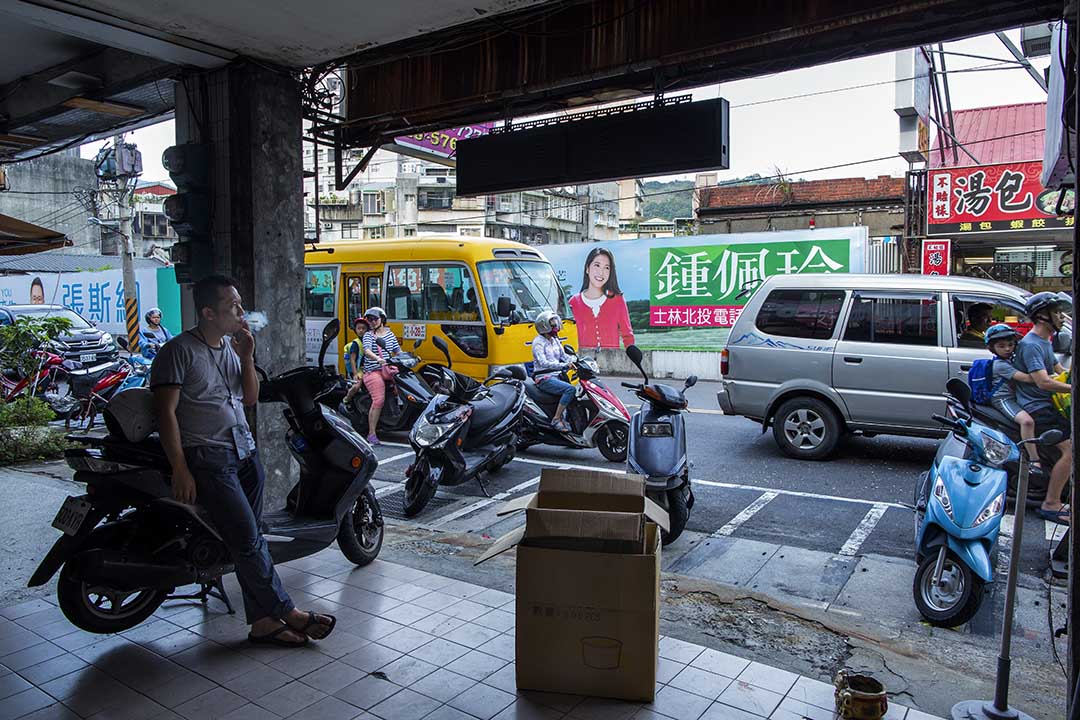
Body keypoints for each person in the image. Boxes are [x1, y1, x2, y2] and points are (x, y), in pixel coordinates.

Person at [150, 274, 335, 646]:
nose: (240, 311)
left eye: (240, 304)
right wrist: (181, 467)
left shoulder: (230, 350)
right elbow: (165, 414)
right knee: (248, 540)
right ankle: (286, 611)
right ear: (207, 312)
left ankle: (263, 623)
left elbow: (250, 398)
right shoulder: (178, 351)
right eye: (232, 306)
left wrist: (247, 356)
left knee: (251, 539)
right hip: (208, 456)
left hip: (244, 453)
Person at [1013, 292, 1073, 525]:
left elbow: (1058, 372)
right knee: (1070, 451)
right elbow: (1043, 382)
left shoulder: (1044, 343)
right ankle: (1051, 503)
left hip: (1050, 404)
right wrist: (1072, 388)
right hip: (1038, 407)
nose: (1061, 317)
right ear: (1042, 316)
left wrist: (1068, 380)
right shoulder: (1031, 345)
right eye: (1057, 312)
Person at [984, 324, 1039, 470]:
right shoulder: (1001, 365)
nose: (1007, 349)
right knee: (1027, 422)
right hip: (1003, 399)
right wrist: (1049, 377)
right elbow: (1028, 378)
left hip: (1015, 397)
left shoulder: (1011, 361)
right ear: (992, 348)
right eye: (1001, 346)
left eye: (1010, 344)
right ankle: (1034, 460)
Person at [568, 247, 635, 350]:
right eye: (597, 265)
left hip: (611, 363)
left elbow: (628, 337)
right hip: (583, 363)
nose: (601, 272)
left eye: (606, 268)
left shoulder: (617, 300)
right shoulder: (574, 303)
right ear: (587, 268)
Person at [360, 306, 400, 445]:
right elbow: (367, 351)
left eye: (374, 319)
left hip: (388, 369)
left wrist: (409, 358)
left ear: (382, 319)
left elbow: (397, 352)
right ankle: (371, 433)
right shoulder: (368, 335)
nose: (372, 322)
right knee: (379, 400)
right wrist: (378, 359)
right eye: (369, 320)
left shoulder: (390, 335)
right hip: (374, 371)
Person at [532, 310, 575, 432]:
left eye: (555, 323)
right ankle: (556, 419)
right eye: (552, 324)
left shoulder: (555, 340)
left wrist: (575, 359)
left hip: (557, 375)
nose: (556, 327)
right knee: (570, 389)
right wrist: (563, 365)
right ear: (543, 325)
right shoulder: (538, 342)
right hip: (544, 377)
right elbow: (543, 363)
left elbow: (564, 355)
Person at [341, 316, 368, 408]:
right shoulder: (356, 344)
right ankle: (346, 399)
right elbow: (352, 359)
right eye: (358, 328)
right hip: (360, 370)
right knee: (356, 387)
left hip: (369, 368)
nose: (361, 330)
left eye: (363, 328)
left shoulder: (368, 341)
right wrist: (355, 374)